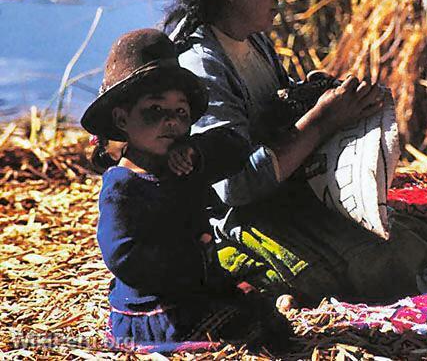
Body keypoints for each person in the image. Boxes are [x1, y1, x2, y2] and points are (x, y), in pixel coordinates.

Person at [164, 0, 427, 305]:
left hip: (281, 196)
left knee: (425, 236)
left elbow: (272, 117)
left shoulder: (254, 42)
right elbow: (233, 187)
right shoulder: (202, 64)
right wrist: (323, 119)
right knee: (380, 263)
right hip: (239, 218)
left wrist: (310, 97)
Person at [82, 29, 292, 353]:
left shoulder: (183, 161)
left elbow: (235, 146)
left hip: (193, 289)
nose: (171, 122)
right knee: (248, 326)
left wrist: (196, 150)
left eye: (180, 112)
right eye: (155, 110)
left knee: (264, 311)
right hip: (155, 308)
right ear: (122, 118)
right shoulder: (123, 186)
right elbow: (123, 256)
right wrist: (188, 254)